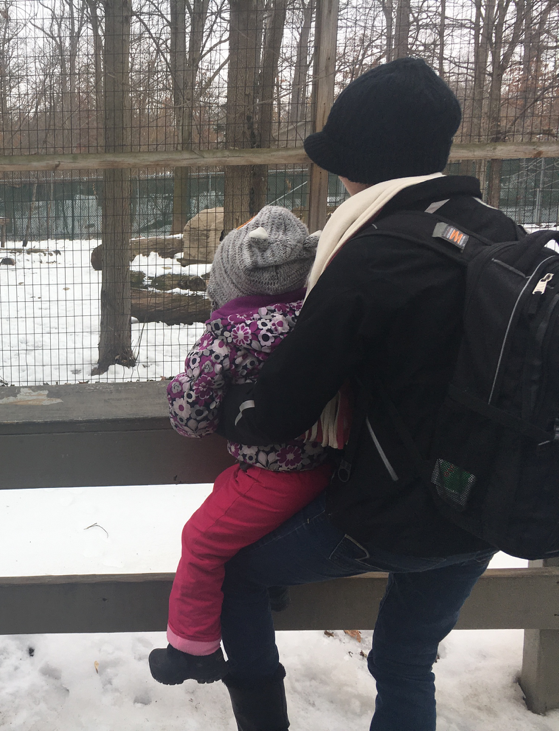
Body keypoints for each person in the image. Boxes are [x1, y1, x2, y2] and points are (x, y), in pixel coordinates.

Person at [214, 57, 522, 731]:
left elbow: (284, 406)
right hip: (481, 508)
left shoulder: (369, 252)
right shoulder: (500, 233)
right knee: (407, 659)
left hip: (389, 513)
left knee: (234, 569)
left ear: (361, 160)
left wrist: (228, 399)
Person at [148, 206, 342, 685]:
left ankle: (192, 650)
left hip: (276, 477)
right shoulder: (323, 320)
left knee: (202, 540)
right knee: (231, 505)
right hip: (327, 466)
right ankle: (272, 585)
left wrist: (179, 389)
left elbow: (191, 420)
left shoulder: (225, 338)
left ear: (231, 281)